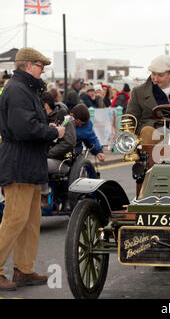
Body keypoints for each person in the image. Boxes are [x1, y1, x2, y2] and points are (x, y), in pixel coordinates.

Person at [0, 47, 65, 291]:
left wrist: (45, 127)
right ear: (27, 65)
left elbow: (27, 125)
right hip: (19, 160)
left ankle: (24, 270)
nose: (44, 69)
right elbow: (23, 129)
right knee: (15, 218)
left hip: (27, 160)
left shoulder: (24, 88)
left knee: (30, 219)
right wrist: (53, 131)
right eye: (40, 65)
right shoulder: (18, 90)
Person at [40, 91, 76, 207]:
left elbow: (69, 142)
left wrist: (48, 154)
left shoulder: (65, 119)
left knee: (39, 162)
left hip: (62, 161)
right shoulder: (41, 118)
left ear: (45, 105)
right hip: (45, 156)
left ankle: (43, 195)